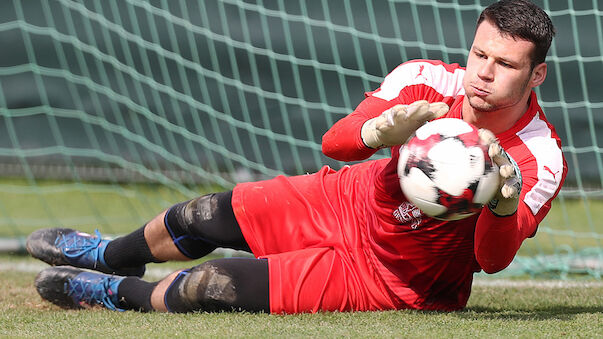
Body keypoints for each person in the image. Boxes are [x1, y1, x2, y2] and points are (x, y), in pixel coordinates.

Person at [27, 0, 566, 313]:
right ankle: (110, 254)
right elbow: (335, 144)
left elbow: (491, 261)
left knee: (212, 286)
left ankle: (119, 294)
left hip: (398, 279)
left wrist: (501, 201)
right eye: (479, 54)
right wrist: (381, 129)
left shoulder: (540, 154)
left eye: (505, 65)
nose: (483, 74)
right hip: (350, 201)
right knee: (203, 215)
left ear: (536, 74)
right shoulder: (425, 80)